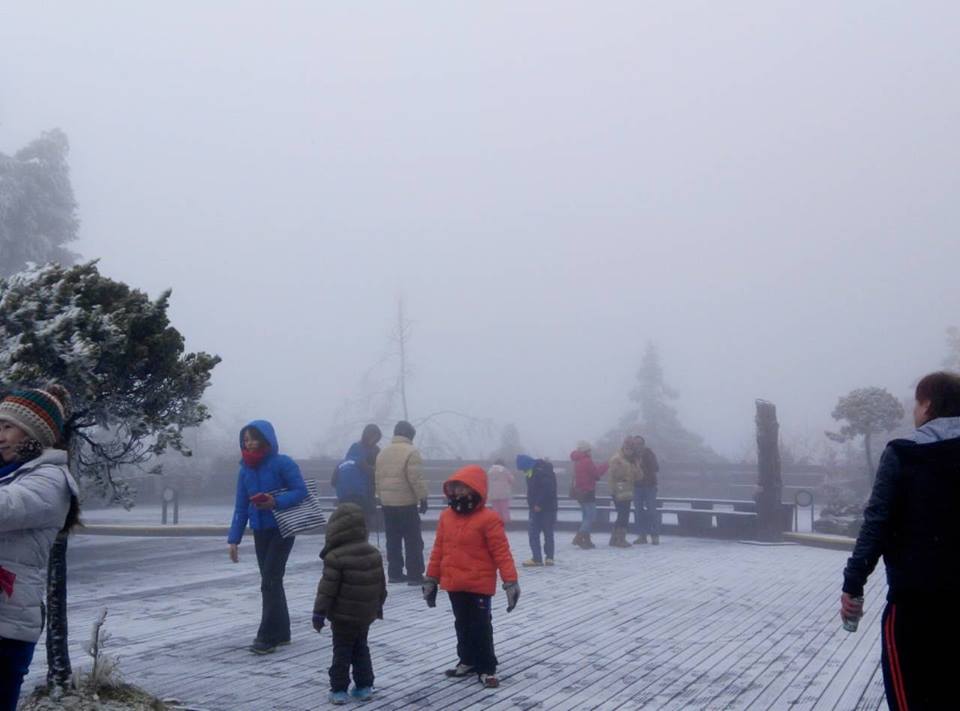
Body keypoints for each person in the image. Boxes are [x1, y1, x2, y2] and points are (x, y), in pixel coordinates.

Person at [840, 371, 960, 711]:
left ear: (929, 405)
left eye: (917, 403)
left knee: (913, 696)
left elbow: (876, 523)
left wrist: (854, 583)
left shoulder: (904, 454)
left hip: (915, 605)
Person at [0, 386, 80, 709]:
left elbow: (5, 508)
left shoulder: (50, 479)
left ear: (34, 432)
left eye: (8, 426)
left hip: (8, 623)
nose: (0, 435)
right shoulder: (9, 475)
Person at [422, 465, 520, 689]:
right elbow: (438, 550)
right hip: (455, 583)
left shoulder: (488, 519)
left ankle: (486, 667)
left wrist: (510, 582)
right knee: (462, 623)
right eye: (454, 488)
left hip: (479, 584)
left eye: (462, 488)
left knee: (481, 626)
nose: (457, 493)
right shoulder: (446, 517)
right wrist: (431, 579)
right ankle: (466, 660)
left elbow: (501, 553)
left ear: (475, 489)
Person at [227, 420, 308, 655]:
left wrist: (276, 502)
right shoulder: (245, 470)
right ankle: (282, 632)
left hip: (283, 528)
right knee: (272, 579)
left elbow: (300, 491)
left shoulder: (282, 463)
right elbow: (241, 506)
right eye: (245, 439)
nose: (249, 443)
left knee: (270, 580)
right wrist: (234, 539)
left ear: (266, 439)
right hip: (260, 531)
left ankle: (267, 636)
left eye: (253, 438)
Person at [312, 502, 387, 705]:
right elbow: (380, 584)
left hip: (342, 617)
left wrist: (319, 613)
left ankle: (338, 689)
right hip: (366, 614)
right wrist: (378, 605)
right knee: (361, 647)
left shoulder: (335, 557)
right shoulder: (373, 553)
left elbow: (327, 589)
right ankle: (364, 686)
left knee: (342, 650)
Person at [375, 420, 429, 585]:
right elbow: (416, 478)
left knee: (393, 539)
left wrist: (380, 496)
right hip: (406, 502)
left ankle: (395, 573)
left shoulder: (383, 452)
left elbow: (377, 477)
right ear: (409, 435)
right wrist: (423, 497)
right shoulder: (411, 451)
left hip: (387, 503)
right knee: (413, 540)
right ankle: (414, 574)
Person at [333, 424, 382, 530]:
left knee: (356, 523)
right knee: (360, 523)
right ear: (367, 435)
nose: (374, 440)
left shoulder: (373, 449)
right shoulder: (359, 450)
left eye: (376, 438)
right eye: (373, 437)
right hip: (360, 491)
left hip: (358, 491)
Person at [517, 454, 558, 566]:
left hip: (543, 508)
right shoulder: (535, 471)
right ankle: (546, 558)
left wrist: (539, 503)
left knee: (538, 533)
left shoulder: (540, 471)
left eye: (523, 469)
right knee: (545, 533)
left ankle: (540, 558)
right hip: (542, 507)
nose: (523, 471)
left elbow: (548, 489)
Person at [569, 441, 608, 549]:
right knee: (590, 516)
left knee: (585, 515)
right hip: (588, 491)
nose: (591, 452)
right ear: (586, 451)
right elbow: (596, 473)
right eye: (590, 450)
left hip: (580, 491)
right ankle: (579, 537)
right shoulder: (587, 461)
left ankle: (586, 540)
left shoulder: (577, 461)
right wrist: (605, 466)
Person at [607, 437, 643, 548]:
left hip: (628, 490)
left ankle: (615, 538)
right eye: (627, 448)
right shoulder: (617, 459)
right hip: (618, 490)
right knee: (623, 514)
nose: (629, 450)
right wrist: (628, 472)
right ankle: (620, 539)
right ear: (623, 447)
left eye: (631, 448)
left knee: (624, 514)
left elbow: (639, 476)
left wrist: (635, 466)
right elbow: (616, 474)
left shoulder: (633, 460)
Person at [633, 436, 661, 545]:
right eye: (635, 444)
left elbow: (656, 468)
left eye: (640, 443)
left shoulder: (649, 453)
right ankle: (642, 535)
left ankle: (655, 535)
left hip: (649, 486)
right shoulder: (631, 456)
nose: (638, 446)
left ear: (643, 444)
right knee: (638, 511)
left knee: (651, 511)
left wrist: (644, 465)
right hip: (637, 486)